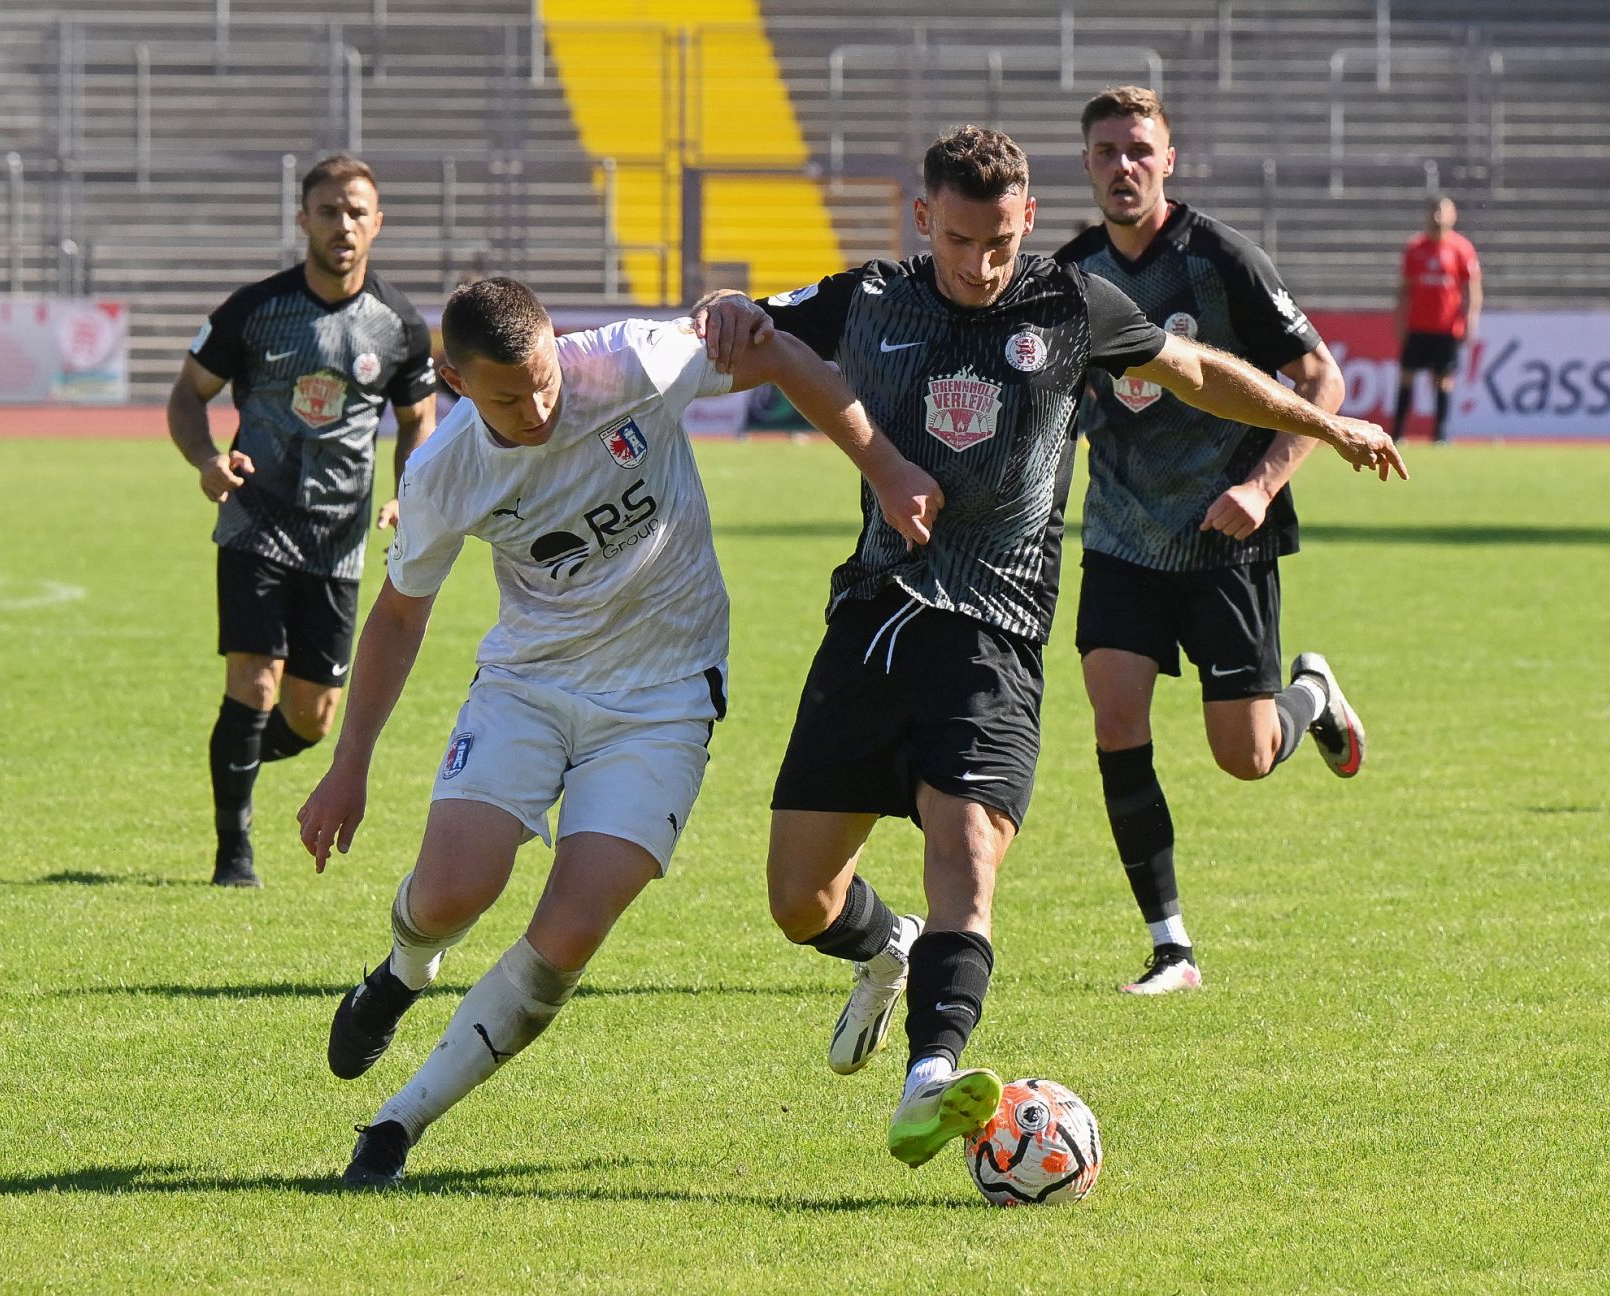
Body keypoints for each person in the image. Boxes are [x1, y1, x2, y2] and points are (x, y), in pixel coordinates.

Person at [693, 124, 1406, 1170]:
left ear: (1026, 221)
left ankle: (930, 1074)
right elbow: (763, 334)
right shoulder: (878, 297)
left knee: (967, 859)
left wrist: (1327, 427)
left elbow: (1203, 371)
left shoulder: (1069, 305)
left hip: (997, 633)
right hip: (874, 623)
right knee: (799, 901)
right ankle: (892, 952)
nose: (979, 267)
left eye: (999, 242)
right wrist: (726, 306)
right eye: (959, 242)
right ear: (924, 219)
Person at [294, 277, 941, 1189]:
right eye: (507, 398)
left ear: (559, 343)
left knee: (567, 934)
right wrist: (347, 766)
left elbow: (772, 346)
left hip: (664, 697)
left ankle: (396, 1125)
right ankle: (401, 972)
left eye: (545, 381)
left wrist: (882, 465)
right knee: (449, 894)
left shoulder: (633, 361)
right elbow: (399, 617)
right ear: (453, 380)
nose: (538, 408)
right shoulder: (443, 472)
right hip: (528, 683)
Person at [1053, 86, 1365, 996]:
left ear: (1169, 159)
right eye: (1107, 151)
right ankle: (1171, 948)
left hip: (1223, 541)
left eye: (1139, 150)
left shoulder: (1222, 257)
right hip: (1118, 537)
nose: (1124, 166)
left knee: (1247, 757)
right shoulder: (1069, 277)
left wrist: (1262, 486)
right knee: (1116, 722)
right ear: (1086, 164)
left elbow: (1320, 377)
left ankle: (1310, 694)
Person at [167, 153, 440, 888]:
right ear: (303, 220)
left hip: (340, 540)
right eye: (329, 211)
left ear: (377, 223)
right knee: (252, 684)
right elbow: (187, 395)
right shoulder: (253, 311)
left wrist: (405, 492)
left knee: (313, 718)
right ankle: (234, 853)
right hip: (254, 523)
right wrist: (204, 462)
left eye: (357, 212)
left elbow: (419, 419)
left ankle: (237, 759)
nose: (343, 225)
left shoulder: (401, 325)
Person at [1392, 195, 1481, 444]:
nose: (1437, 216)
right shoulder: (1415, 248)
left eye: (1443, 211)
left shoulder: (1462, 248)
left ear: (1453, 215)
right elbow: (1403, 290)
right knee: (1407, 375)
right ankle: (1397, 433)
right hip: (1418, 326)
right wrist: (1400, 321)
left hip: (1447, 327)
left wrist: (1471, 318)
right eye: (1433, 211)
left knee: (1444, 379)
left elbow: (1472, 290)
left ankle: (1440, 434)